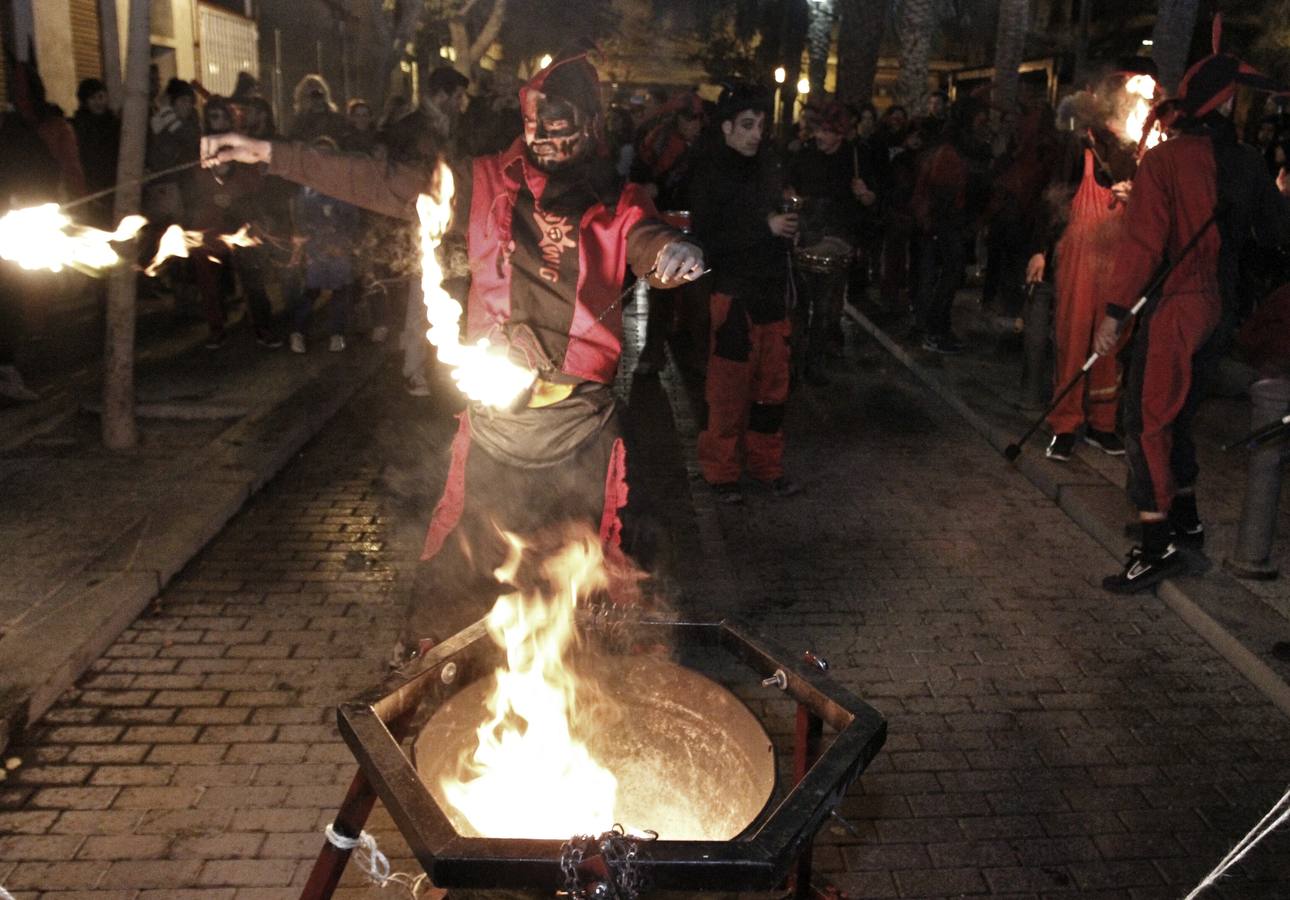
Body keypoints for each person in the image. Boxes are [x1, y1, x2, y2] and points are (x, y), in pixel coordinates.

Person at [201, 48, 704, 653]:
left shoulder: (617, 202)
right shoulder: (482, 181)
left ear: (592, 125)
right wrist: (265, 153)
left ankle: (583, 693)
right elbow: (381, 181)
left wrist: (670, 255)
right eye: (531, 124)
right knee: (461, 565)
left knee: (587, 573)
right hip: (497, 425)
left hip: (580, 426)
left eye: (559, 123)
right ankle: (432, 675)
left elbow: (648, 239)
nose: (541, 137)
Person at [1093, 49, 1290, 593]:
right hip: (1220, 309)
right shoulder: (1248, 162)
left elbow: (1141, 246)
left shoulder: (1165, 162)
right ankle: (1188, 521)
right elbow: (1275, 235)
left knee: (1145, 420)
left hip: (1179, 303)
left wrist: (1114, 312)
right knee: (1177, 417)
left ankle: (1156, 547)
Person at [689, 84, 800, 504]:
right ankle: (720, 472)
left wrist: (788, 230)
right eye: (748, 125)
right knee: (728, 392)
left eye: (761, 126)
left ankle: (765, 466)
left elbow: (775, 220)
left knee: (772, 391)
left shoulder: (767, 169)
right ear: (728, 127)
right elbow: (707, 241)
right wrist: (763, 228)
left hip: (771, 296)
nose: (756, 134)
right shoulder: (712, 173)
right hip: (733, 297)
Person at [1033, 95, 1137, 461]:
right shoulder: (1078, 149)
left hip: (1119, 259)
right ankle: (1064, 424)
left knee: (1110, 345)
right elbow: (1050, 200)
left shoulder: (1140, 151)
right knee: (1074, 338)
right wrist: (1040, 250)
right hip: (1078, 257)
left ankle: (1102, 424)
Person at [787, 99, 879, 383]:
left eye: (827, 132)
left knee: (827, 305)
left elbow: (873, 201)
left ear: (840, 133)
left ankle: (815, 361)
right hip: (807, 230)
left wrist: (865, 194)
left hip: (839, 234)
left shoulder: (856, 157)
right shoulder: (804, 154)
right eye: (819, 131)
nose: (820, 137)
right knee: (799, 303)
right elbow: (788, 186)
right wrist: (794, 200)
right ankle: (792, 363)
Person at [910, 96, 993, 353]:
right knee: (946, 275)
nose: (985, 122)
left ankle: (938, 328)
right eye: (981, 116)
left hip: (950, 221)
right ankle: (934, 331)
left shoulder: (963, 146)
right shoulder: (951, 149)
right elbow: (945, 188)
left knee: (950, 276)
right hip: (943, 222)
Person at [289, 136, 362, 353]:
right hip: (314, 246)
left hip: (339, 245)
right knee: (311, 290)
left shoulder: (343, 185)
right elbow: (299, 215)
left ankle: (337, 333)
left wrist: (345, 238)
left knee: (340, 290)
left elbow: (352, 215)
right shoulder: (306, 186)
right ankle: (298, 332)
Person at [72, 78, 121, 227]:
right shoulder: (79, 125)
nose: (98, 102)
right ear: (85, 101)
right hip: (91, 187)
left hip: (115, 185)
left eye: (101, 97)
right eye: (92, 98)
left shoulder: (114, 123)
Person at [287, 74, 349, 144]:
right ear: (303, 97)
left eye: (318, 95)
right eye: (310, 95)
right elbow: (293, 141)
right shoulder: (299, 122)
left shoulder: (336, 119)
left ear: (324, 94)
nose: (315, 99)